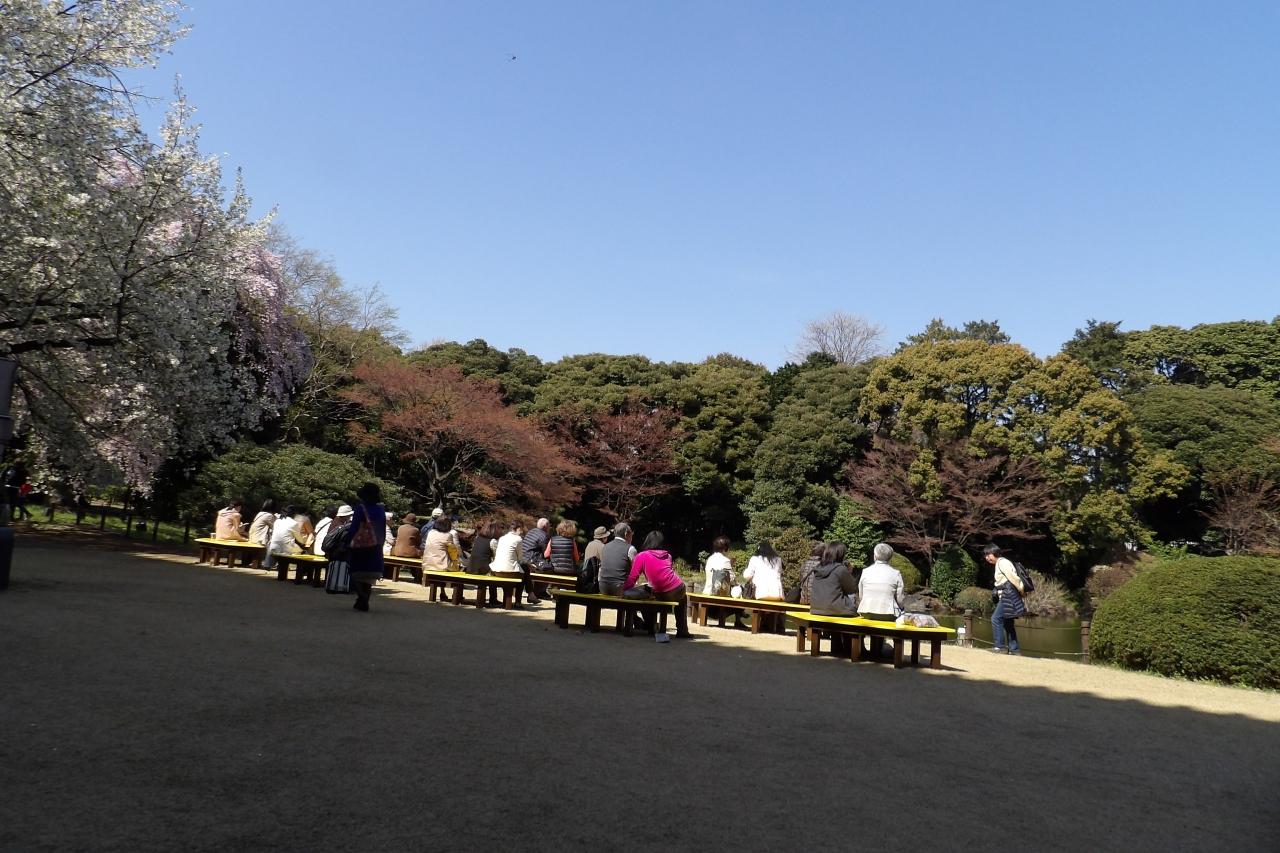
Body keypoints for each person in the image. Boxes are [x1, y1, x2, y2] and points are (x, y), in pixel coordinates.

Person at [624, 530, 692, 639]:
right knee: (682, 599)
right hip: (678, 587)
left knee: (645, 595)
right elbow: (665, 574)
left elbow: (632, 578)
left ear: (647, 541)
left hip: (660, 591)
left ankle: (650, 625)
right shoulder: (668, 556)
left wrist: (623, 589)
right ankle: (682, 630)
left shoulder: (642, 556)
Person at [858, 542, 906, 659]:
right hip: (888, 613)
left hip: (866, 611)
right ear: (890, 558)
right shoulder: (896, 573)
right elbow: (900, 599)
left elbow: (861, 595)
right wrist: (901, 608)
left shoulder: (865, 571)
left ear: (875, 556)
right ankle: (891, 651)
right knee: (900, 614)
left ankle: (871, 650)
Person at [345, 483, 387, 612]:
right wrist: (380, 542)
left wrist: (347, 541)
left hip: (360, 544)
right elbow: (382, 528)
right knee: (370, 574)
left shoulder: (360, 508)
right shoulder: (380, 509)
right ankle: (364, 600)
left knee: (355, 571)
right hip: (376, 544)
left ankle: (362, 596)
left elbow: (354, 527)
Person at [985, 545, 1026, 654]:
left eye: (988, 555)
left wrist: (1021, 590)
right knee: (1008, 622)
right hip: (1007, 595)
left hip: (1009, 595)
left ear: (995, 553)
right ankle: (1014, 649)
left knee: (996, 618)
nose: (987, 558)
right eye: (986, 555)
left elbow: (1014, 578)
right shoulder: (999, 563)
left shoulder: (1003, 563)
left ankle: (1000, 647)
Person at [491, 519, 540, 605]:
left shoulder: (502, 538)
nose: (522, 532)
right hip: (508, 572)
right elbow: (520, 559)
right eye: (522, 529)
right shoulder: (518, 539)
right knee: (524, 570)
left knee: (523, 569)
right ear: (518, 528)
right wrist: (529, 565)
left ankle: (529, 595)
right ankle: (520, 601)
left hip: (496, 571)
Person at [810, 541, 858, 617]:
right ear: (841, 555)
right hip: (837, 609)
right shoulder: (840, 569)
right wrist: (849, 573)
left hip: (815, 608)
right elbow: (852, 590)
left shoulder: (818, 568)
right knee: (853, 597)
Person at [597, 523, 637, 597]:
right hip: (620, 589)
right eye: (631, 534)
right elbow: (635, 571)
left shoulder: (605, 547)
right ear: (626, 534)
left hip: (603, 587)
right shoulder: (630, 548)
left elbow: (601, 569)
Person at [323, 504, 354, 594]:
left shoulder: (334, 522)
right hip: (339, 552)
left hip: (332, 551)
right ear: (346, 515)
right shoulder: (344, 526)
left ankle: (332, 585)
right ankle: (342, 586)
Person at [519, 517, 552, 602]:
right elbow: (546, 553)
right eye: (549, 526)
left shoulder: (531, 531)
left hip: (524, 558)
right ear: (546, 526)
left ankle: (536, 591)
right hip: (532, 559)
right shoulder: (544, 536)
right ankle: (540, 591)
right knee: (549, 567)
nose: (550, 528)